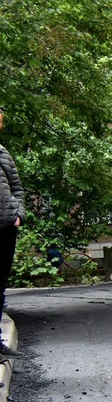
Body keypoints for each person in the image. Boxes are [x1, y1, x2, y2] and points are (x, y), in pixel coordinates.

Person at [0, 110, 25, 360]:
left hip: (6, 228)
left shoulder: (3, 153)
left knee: (0, 285)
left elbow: (17, 188)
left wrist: (18, 215)